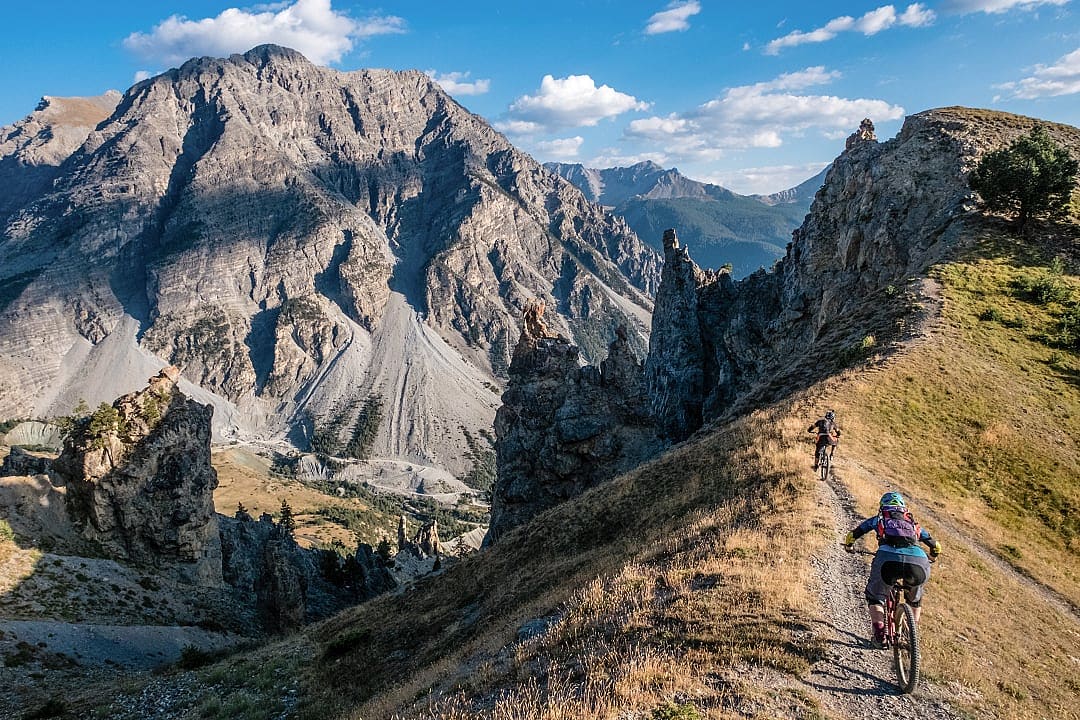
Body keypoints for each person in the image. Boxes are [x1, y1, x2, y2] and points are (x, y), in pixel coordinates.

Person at [844, 492, 942, 648]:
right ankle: (911, 636)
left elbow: (853, 534)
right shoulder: (913, 524)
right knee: (915, 599)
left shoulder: (879, 519)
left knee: (875, 597)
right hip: (918, 562)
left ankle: (880, 636)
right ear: (903, 509)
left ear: (883, 507)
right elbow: (936, 546)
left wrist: (849, 546)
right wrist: (933, 556)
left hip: (887, 560)